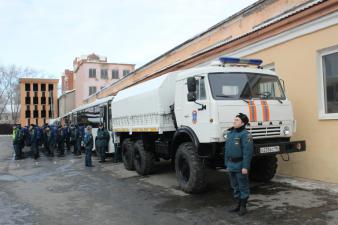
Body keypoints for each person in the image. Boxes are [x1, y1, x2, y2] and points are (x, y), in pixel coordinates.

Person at [224, 113, 253, 216]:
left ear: (242, 123)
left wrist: (245, 167)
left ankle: (243, 206)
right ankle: (238, 204)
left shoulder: (246, 135)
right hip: (231, 164)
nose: (234, 121)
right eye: (234, 119)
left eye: (237, 120)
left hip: (240, 165)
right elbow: (227, 149)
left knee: (243, 186)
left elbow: (247, 152)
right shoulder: (231, 133)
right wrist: (226, 163)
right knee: (235, 186)